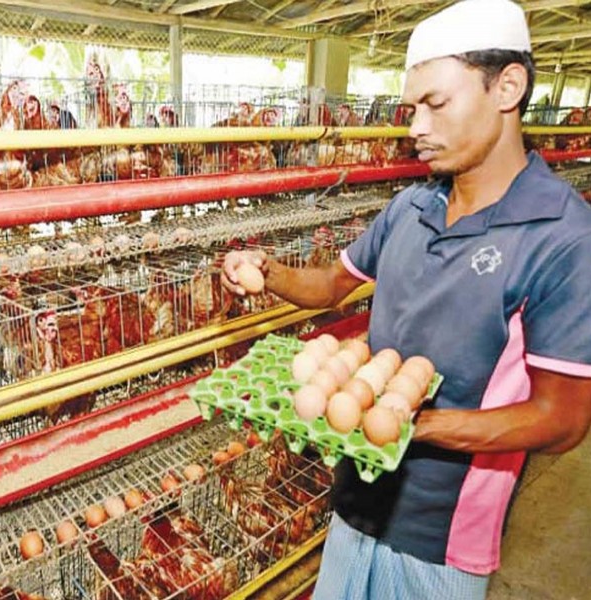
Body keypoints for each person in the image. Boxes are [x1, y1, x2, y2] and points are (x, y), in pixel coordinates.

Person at [220, 1, 591, 598]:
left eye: (436, 104)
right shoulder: (409, 209)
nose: (414, 126)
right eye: (411, 108)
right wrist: (270, 273)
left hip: (442, 538)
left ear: (509, 87)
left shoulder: (563, 237)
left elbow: (563, 418)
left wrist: (409, 424)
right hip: (356, 498)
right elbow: (333, 285)